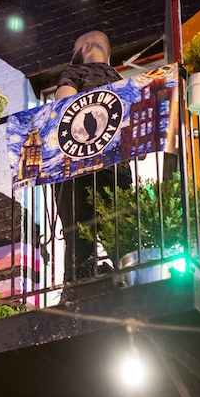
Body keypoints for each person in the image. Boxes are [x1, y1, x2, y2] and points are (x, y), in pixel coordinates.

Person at [54, 31, 132, 282]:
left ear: (86, 45)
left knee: (79, 235)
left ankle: (80, 287)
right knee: (119, 235)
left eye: (75, 47)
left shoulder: (75, 72)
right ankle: (129, 282)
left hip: (79, 168)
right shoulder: (124, 84)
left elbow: (62, 107)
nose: (72, 53)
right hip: (117, 170)